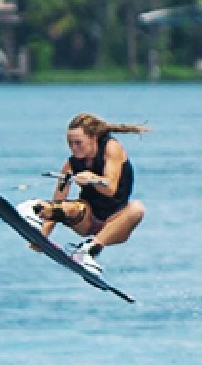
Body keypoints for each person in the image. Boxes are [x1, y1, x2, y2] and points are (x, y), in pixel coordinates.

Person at [26, 114, 147, 268]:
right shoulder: (72, 164)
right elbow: (57, 203)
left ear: (93, 138)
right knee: (68, 207)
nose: (74, 148)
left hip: (114, 224)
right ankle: (34, 209)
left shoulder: (111, 148)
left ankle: (88, 252)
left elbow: (110, 189)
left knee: (137, 208)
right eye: (70, 143)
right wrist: (42, 236)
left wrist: (91, 178)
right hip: (87, 220)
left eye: (78, 143)